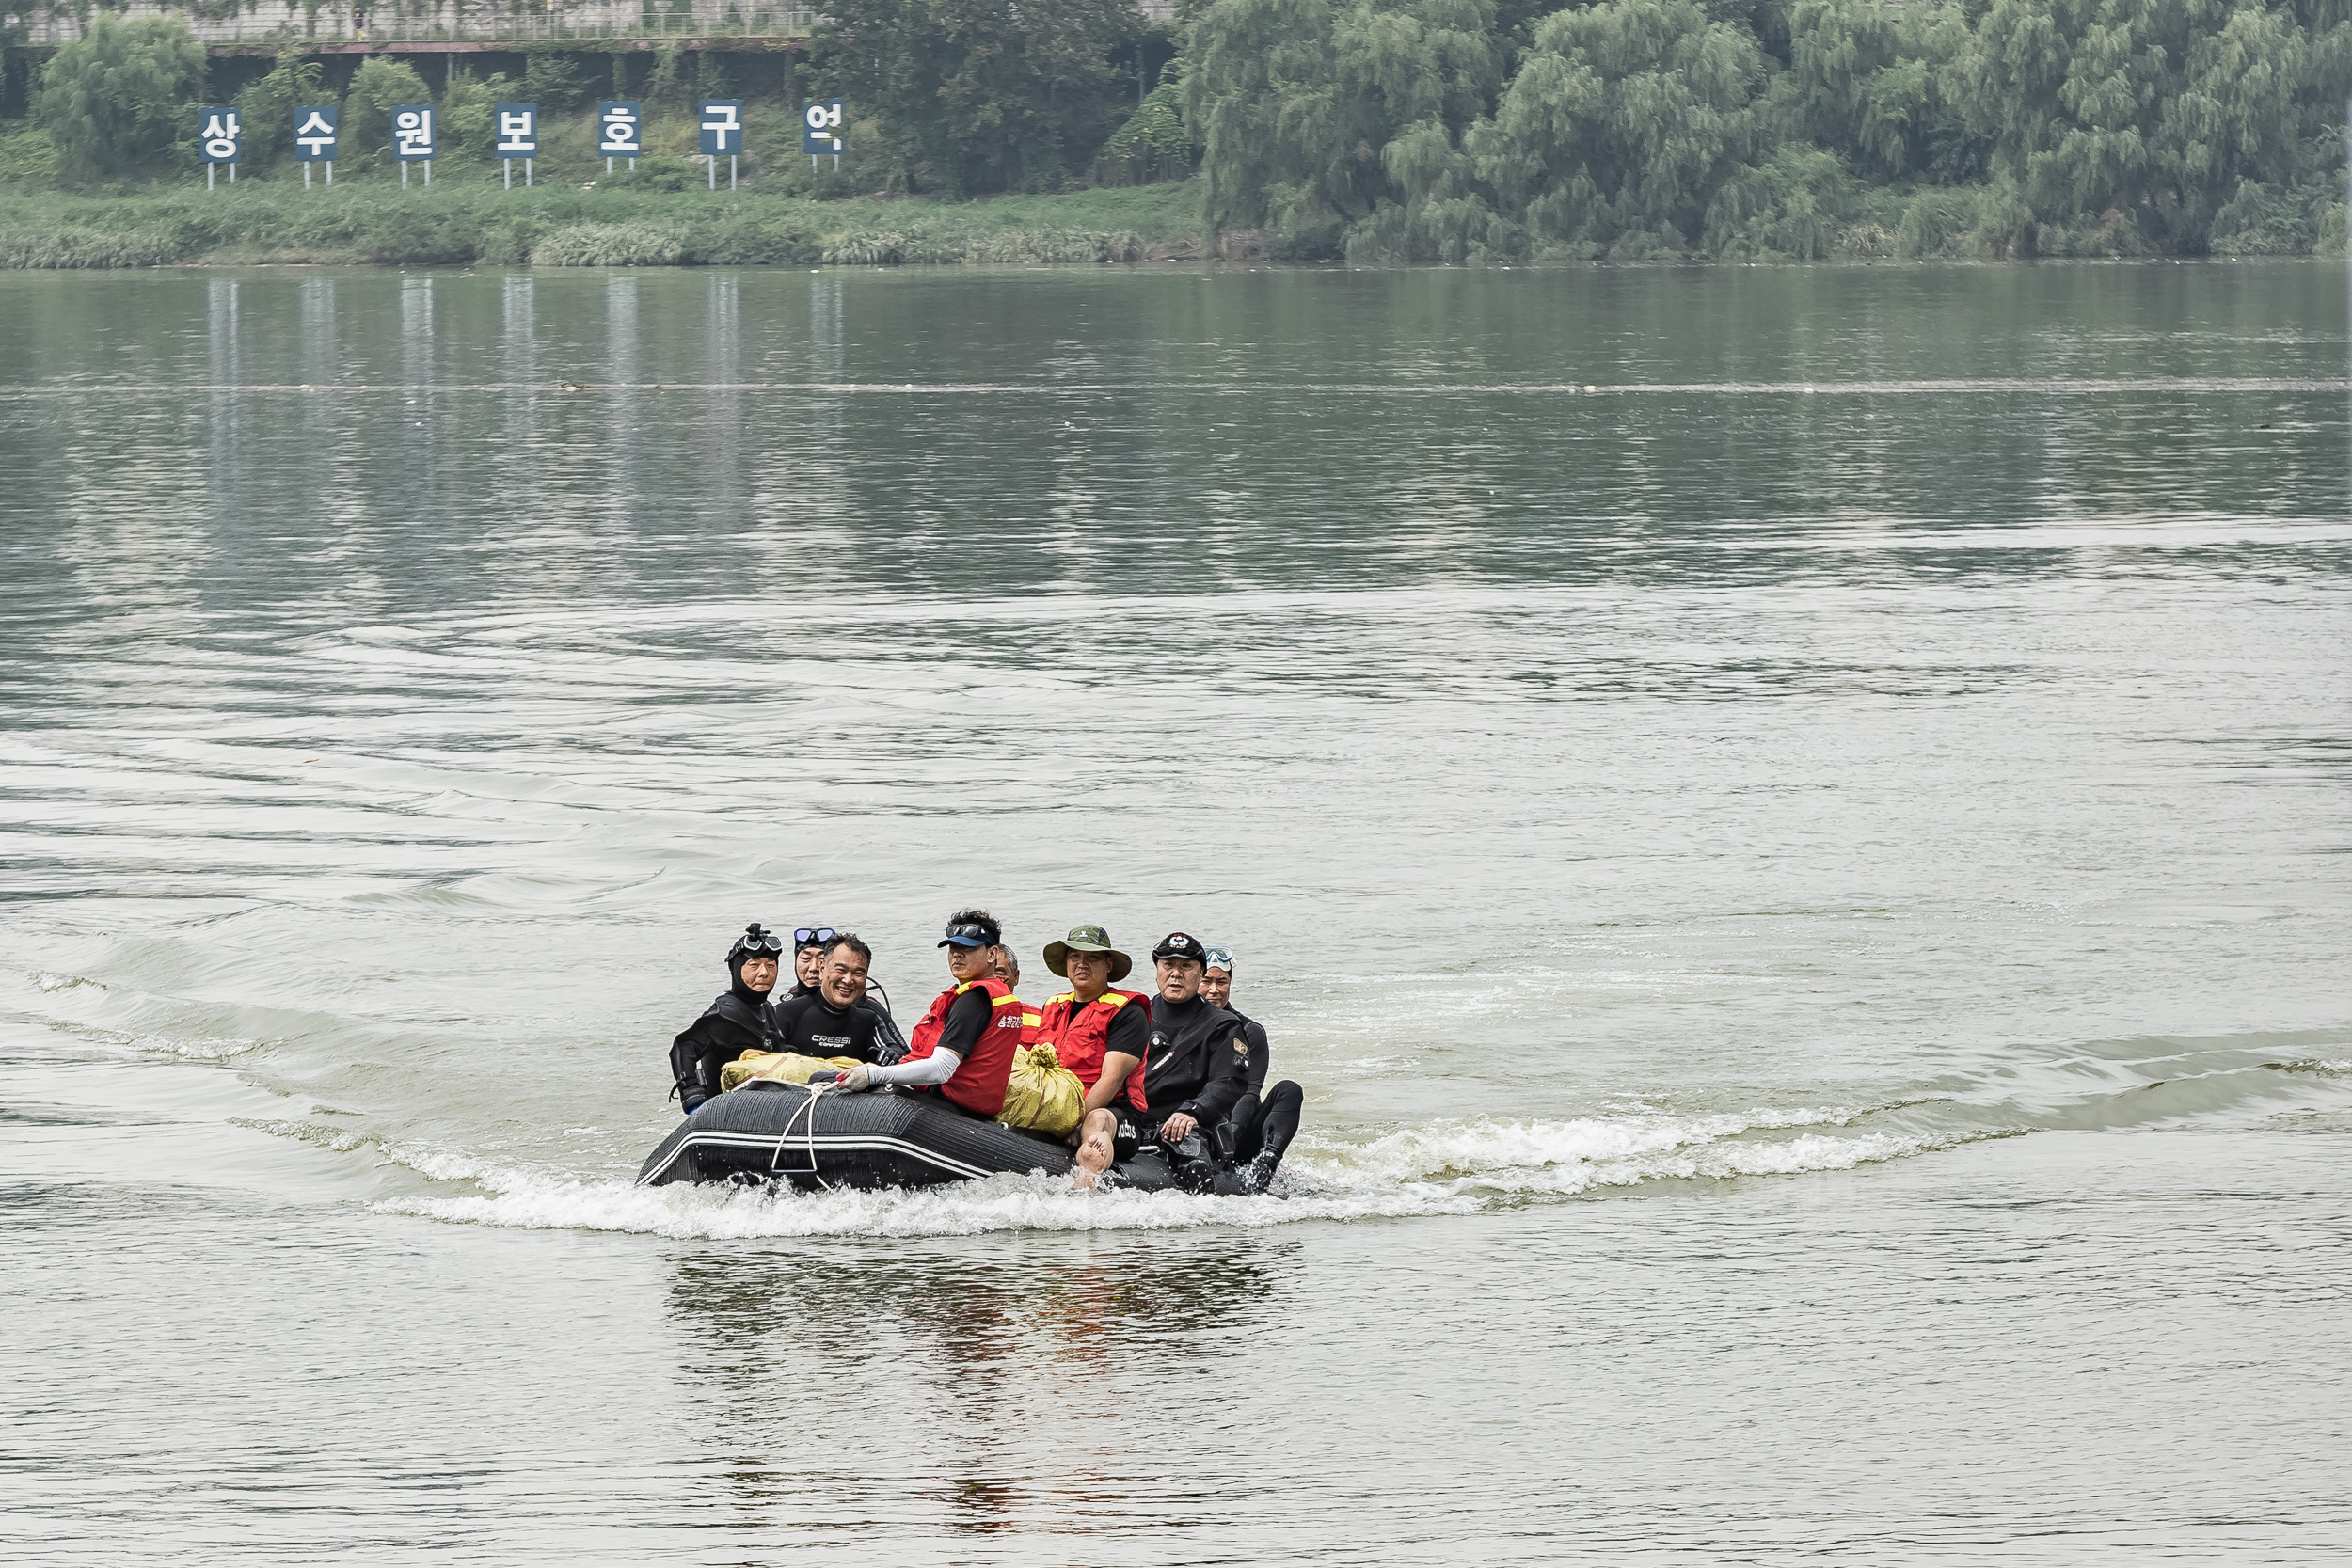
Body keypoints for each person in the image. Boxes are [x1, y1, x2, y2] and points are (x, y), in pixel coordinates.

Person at [1078, 931, 1248, 1190]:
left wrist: (1192, 1112)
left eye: (1186, 966)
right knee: (1100, 1120)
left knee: (1192, 1157)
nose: (1176, 974)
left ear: (1201, 973)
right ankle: (1083, 1192)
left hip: (1189, 1123)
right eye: (1168, 965)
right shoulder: (1132, 1016)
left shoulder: (1222, 1025)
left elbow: (1228, 1083)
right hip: (1135, 1122)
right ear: (1157, 971)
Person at [826, 910, 1021, 1117]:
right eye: (953, 947)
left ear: (992, 954)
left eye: (968, 948)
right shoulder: (999, 996)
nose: (957, 954)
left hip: (953, 1108)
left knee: (826, 1078)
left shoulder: (974, 1000)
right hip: (978, 1110)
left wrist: (873, 1075)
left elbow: (941, 1069)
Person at [1033, 926, 1153, 1180]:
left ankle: (1086, 1181)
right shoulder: (1053, 1005)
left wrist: (1073, 1123)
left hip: (1114, 1112)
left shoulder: (1128, 1012)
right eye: (1075, 957)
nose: (1081, 964)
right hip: (1057, 1106)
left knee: (1097, 1121)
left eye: (1092, 958)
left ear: (1108, 964)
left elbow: (1112, 1079)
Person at [1200, 945, 1302, 1195]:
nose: (1214, 990)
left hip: (1237, 1136)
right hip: (1193, 1130)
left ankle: (1266, 1165)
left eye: (1221, 982)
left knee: (1289, 1090)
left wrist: (1228, 1144)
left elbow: (1249, 1093)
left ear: (1230, 984)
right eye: (1206, 981)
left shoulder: (1250, 1032)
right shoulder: (1174, 1027)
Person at [667, 922, 786, 1115]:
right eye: (754, 965)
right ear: (736, 970)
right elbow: (683, 1047)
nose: (764, 973)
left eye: (771, 966)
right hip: (725, 1114)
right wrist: (693, 1099)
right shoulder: (726, 1013)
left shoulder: (766, 1009)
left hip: (760, 1107)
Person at [769, 933, 892, 1063]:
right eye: (840, 970)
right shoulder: (785, 1013)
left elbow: (898, 1054)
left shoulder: (869, 1020)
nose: (848, 980)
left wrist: (892, 1053)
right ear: (822, 970)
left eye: (858, 973)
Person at [787, 925, 838, 998]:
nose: (813, 968)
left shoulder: (852, 1002)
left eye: (822, 959)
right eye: (806, 959)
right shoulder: (787, 1004)